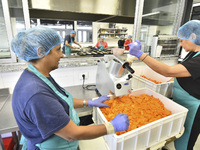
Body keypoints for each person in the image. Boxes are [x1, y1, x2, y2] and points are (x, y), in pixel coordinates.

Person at [11, 26, 130, 150]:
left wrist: (89, 102)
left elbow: (61, 100)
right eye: (58, 50)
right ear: (41, 52)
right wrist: (112, 127)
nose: (62, 55)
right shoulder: (36, 94)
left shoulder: (37, 75)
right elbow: (72, 134)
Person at [128, 20, 200, 150]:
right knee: (179, 135)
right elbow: (184, 73)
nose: (181, 44)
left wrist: (141, 55)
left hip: (195, 107)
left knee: (186, 140)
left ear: (193, 37)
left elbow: (168, 71)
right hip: (183, 103)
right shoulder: (193, 53)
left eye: (182, 40)